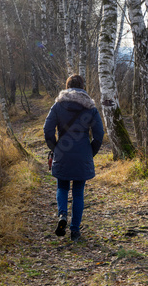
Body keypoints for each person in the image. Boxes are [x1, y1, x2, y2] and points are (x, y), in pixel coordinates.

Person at [43, 75, 104, 242]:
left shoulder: (58, 105)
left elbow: (47, 130)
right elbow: (99, 134)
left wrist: (55, 149)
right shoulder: (90, 108)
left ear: (67, 86)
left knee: (62, 187)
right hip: (82, 153)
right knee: (78, 192)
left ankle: (62, 214)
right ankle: (75, 231)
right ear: (82, 87)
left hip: (63, 152)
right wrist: (90, 152)